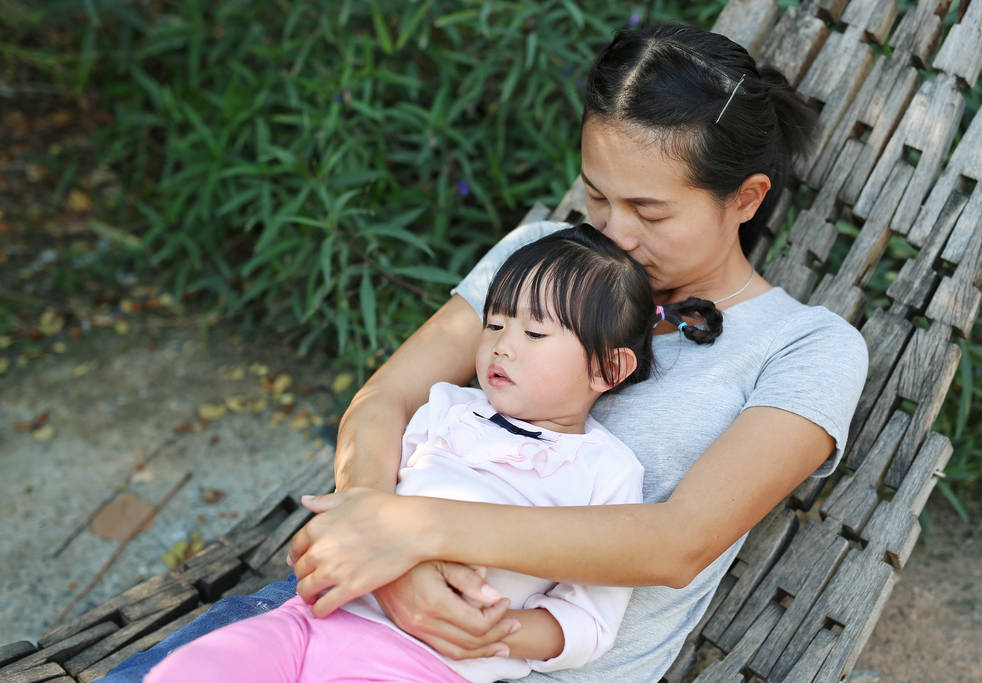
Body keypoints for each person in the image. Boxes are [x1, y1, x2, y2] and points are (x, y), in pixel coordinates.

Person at [103, 22, 868, 683]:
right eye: (597, 195)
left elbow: (676, 541)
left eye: (650, 211)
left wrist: (416, 531)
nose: (612, 231)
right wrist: (382, 545)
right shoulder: (545, 256)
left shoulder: (807, 349)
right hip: (343, 612)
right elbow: (386, 399)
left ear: (746, 197)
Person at [143, 225, 719, 683]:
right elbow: (372, 493)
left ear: (608, 368)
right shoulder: (447, 407)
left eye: (535, 335)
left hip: (420, 664)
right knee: (200, 667)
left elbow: (589, 620)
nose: (502, 346)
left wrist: (499, 630)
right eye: (494, 323)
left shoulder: (604, 472)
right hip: (314, 614)